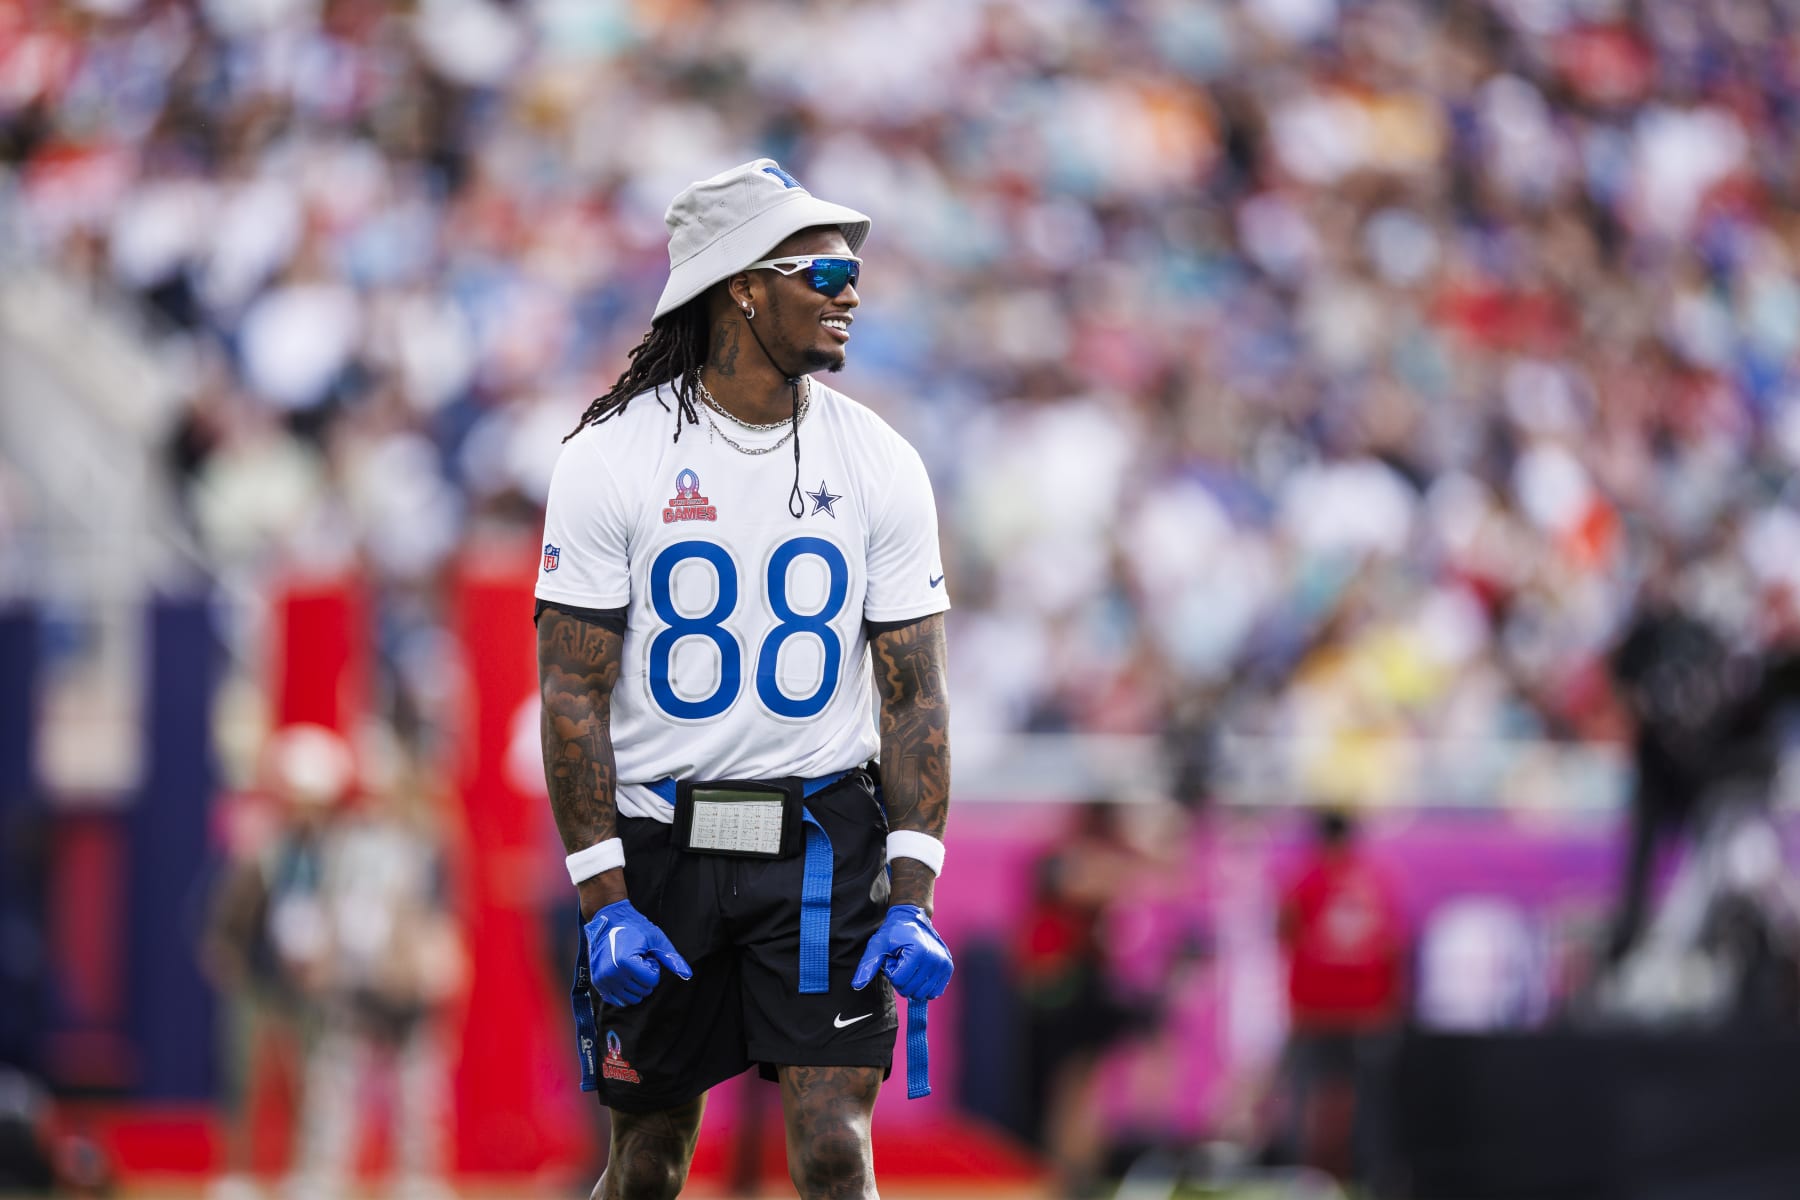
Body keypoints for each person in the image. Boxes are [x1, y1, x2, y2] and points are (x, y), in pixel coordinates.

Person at [534, 159, 955, 1200]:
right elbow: (572, 691)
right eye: (821, 269)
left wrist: (913, 892)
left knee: (830, 1147)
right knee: (645, 1160)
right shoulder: (609, 458)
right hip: (663, 837)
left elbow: (914, 695)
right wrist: (602, 902)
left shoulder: (883, 461)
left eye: (853, 269)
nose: (849, 290)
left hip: (818, 838)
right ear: (742, 285)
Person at [1272, 808, 1406, 1187]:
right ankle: (1370, 1176)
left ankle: (1301, 1175)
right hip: (1366, 1010)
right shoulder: (1375, 881)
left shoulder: (1303, 880)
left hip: (1314, 1010)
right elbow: (1393, 945)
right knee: (1368, 1100)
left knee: (1308, 1097)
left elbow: (1285, 932)